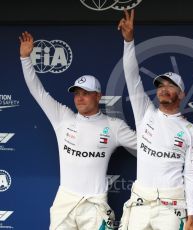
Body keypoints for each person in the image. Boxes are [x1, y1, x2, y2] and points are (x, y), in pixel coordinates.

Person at [19, 31, 137, 230]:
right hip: (65, 203)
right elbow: (36, 91)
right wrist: (25, 58)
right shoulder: (62, 117)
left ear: (98, 96)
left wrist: (169, 124)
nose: (79, 98)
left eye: (86, 93)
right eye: (76, 94)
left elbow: (147, 145)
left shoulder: (113, 126)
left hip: (95, 206)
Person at [117, 10, 193, 230]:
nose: (164, 89)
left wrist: (191, 216)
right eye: (160, 86)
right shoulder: (145, 112)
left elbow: (191, 174)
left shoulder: (191, 130)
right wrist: (128, 42)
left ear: (181, 94)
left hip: (171, 206)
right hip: (140, 202)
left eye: (170, 86)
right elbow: (131, 76)